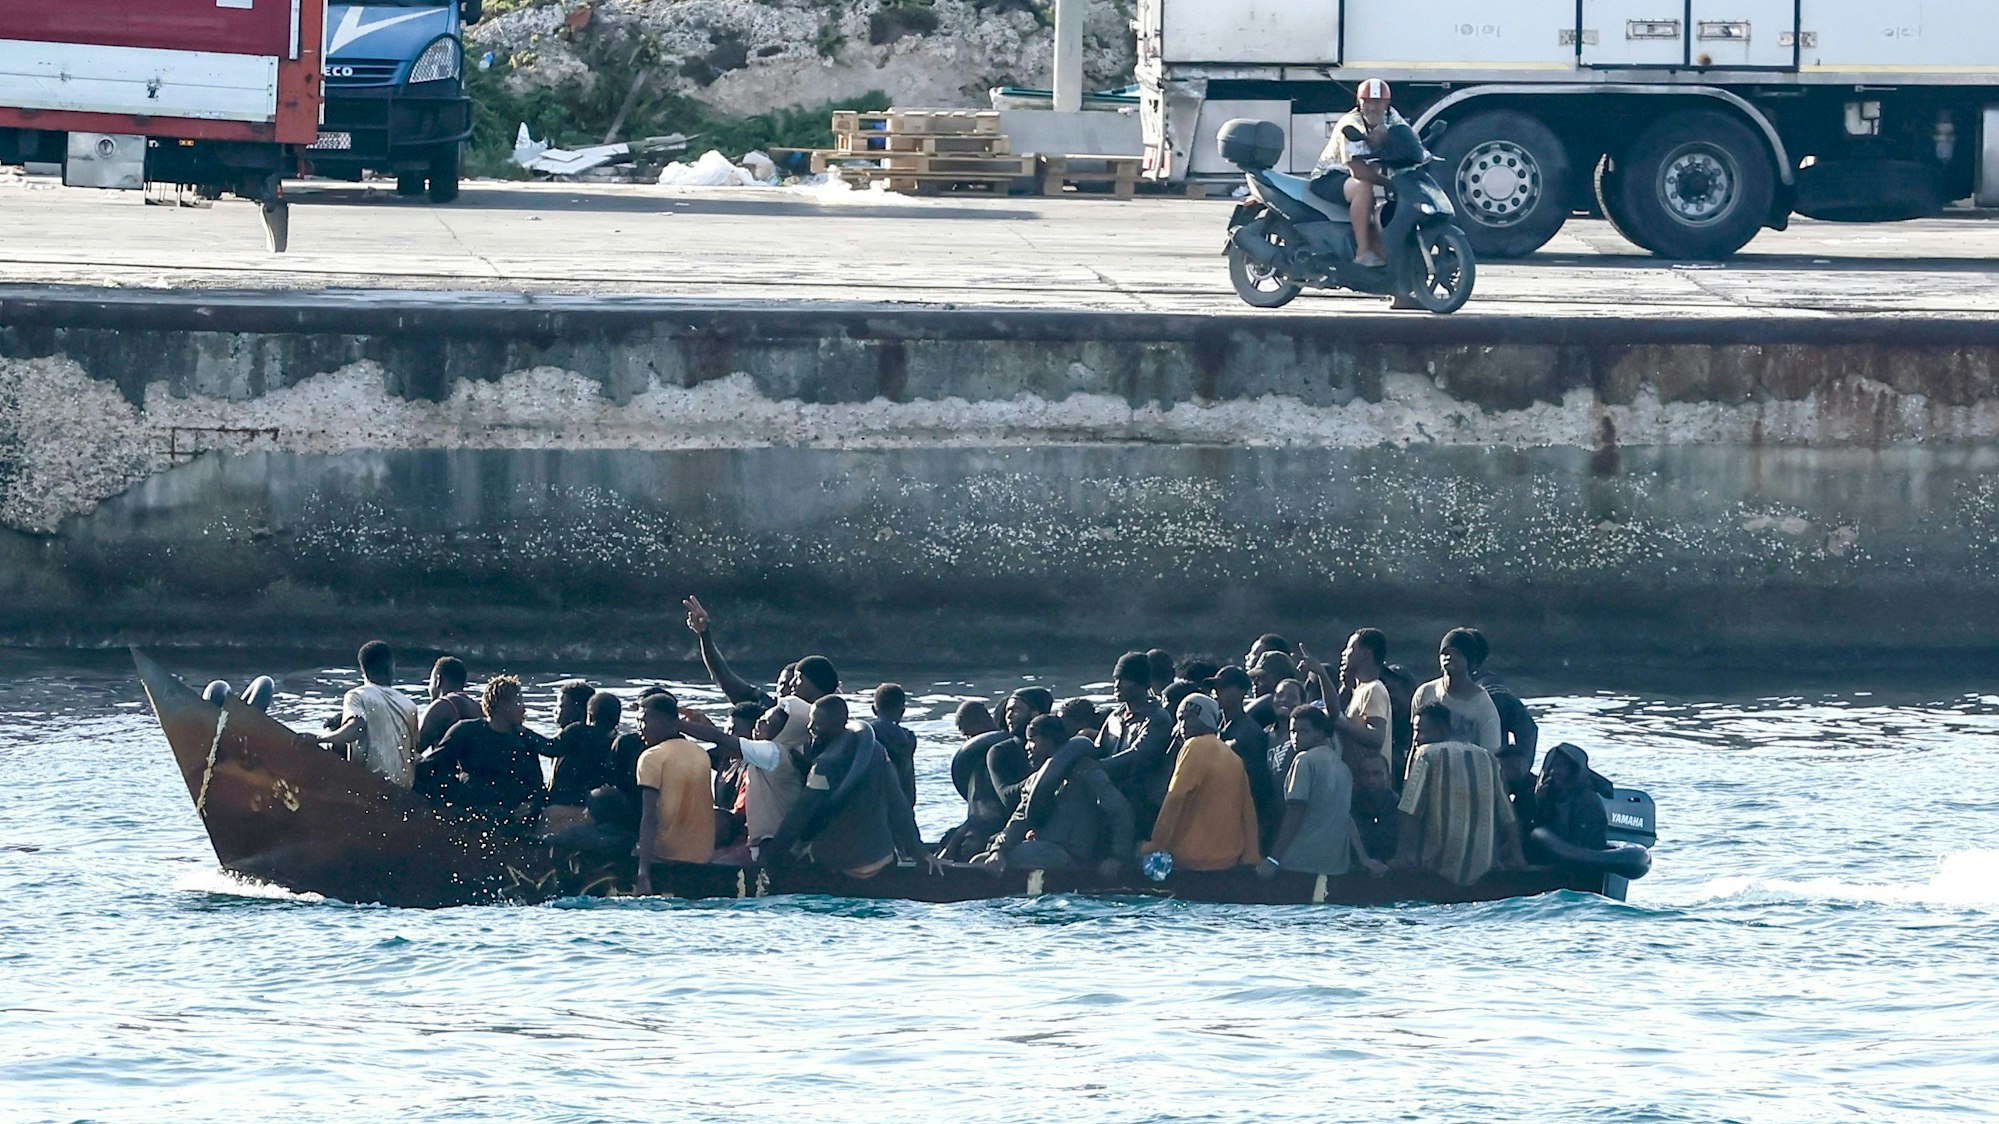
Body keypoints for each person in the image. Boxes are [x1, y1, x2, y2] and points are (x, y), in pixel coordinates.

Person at [765, 696, 931, 878]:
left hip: (841, 864)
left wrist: (772, 855)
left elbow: (801, 813)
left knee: (798, 851)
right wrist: (919, 852)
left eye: (816, 724)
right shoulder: (877, 752)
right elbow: (899, 805)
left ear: (837, 726)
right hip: (881, 858)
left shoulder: (824, 764)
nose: (810, 728)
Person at [978, 715, 1134, 876]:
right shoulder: (1034, 781)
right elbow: (1018, 820)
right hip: (1043, 849)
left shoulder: (1086, 773)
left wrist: (1118, 856)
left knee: (994, 864)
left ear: (1050, 740)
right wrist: (998, 850)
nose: (1027, 747)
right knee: (981, 860)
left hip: (1071, 855)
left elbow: (1120, 810)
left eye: (1032, 740)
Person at [1392, 703, 1525, 886]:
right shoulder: (1488, 758)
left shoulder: (1427, 754)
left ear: (1442, 729)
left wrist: (1402, 857)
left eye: (1420, 731)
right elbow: (1507, 816)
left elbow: (1409, 811)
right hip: (1484, 869)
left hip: (1437, 868)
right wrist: (1518, 858)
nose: (1416, 739)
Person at [1260, 706, 1385, 879]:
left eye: (1304, 731)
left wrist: (1273, 859)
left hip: (1300, 864)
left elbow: (1295, 813)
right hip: (1333, 867)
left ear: (1322, 733)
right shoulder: (1343, 768)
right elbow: (1346, 818)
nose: (1296, 737)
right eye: (1293, 731)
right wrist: (1363, 858)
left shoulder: (1304, 761)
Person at [679, 694, 813, 855]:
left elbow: (720, 738)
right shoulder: (780, 752)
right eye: (763, 718)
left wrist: (674, 723)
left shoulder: (774, 752)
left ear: (786, 732)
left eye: (767, 723)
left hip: (770, 842)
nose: (760, 723)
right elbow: (723, 742)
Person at [1140, 694, 1260, 872]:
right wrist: (1252, 856)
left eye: (1189, 718)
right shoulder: (1234, 757)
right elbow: (1247, 811)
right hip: (1228, 859)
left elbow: (1175, 798)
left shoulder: (1193, 746)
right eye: (1180, 719)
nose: (1183, 725)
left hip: (1191, 858)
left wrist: (1156, 844)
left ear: (1206, 719)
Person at [419, 674, 550, 819]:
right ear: (502, 705)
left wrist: (532, 806)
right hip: (473, 815)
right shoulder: (467, 732)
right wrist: (447, 803)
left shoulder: (524, 740)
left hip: (514, 819)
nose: (524, 709)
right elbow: (428, 767)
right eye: (518, 702)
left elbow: (538, 787)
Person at [1312, 77, 1407, 268]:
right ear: (1359, 103)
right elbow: (1357, 171)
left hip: (1362, 174)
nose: (1372, 108)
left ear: (1386, 103)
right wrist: (1387, 183)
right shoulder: (1351, 124)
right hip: (1331, 176)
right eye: (1367, 102)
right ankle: (1363, 252)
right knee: (1363, 187)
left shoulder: (1391, 116)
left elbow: (1407, 136)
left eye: (1378, 102)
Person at [683, 595, 841, 709]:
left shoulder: (828, 721)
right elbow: (724, 678)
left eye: (795, 681)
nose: (785, 689)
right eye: (782, 684)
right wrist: (704, 634)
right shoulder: (769, 710)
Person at [632, 692, 717, 895]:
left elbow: (650, 817)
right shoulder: (700, 753)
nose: (639, 728)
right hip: (703, 855)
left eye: (644, 720)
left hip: (666, 855)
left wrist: (643, 872)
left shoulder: (651, 757)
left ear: (665, 721)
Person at [319, 641, 420, 789]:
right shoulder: (409, 705)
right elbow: (413, 750)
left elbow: (356, 728)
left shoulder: (357, 695)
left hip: (369, 785)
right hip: (403, 789)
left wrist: (320, 739)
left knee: (333, 738)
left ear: (363, 670)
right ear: (391, 669)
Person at [1095, 652, 1175, 834]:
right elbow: (1098, 749)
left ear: (1140, 683)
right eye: (1116, 679)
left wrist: (1097, 767)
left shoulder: (1157, 718)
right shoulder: (1114, 717)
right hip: (1109, 791)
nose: (1116, 685)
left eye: (1123, 680)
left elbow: (1138, 755)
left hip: (1140, 799)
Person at [1213, 665, 1280, 849]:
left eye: (1226, 687)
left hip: (1246, 816)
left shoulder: (1249, 732)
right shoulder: (1220, 724)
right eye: (1217, 687)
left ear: (1243, 691)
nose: (1219, 691)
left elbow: (1257, 784)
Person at [1410, 628, 1503, 758]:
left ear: (1470, 661)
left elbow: (1490, 757)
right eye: (1445, 652)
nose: (1449, 657)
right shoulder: (1424, 693)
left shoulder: (1484, 707)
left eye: (1457, 653)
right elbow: (1414, 744)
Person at [939, 700, 1010, 860]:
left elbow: (981, 817)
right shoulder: (981, 758)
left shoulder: (986, 762)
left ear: (982, 722)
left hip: (993, 829)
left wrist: (953, 844)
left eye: (969, 736)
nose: (968, 741)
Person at [1467, 632, 1539, 765]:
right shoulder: (1437, 690)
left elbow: (1527, 730)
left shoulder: (1492, 692)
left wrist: (1516, 771)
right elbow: (1528, 731)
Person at [543, 690, 620, 808]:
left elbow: (548, 748)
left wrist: (522, 731)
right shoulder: (616, 741)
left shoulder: (575, 734)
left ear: (581, 711)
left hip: (569, 805)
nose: (555, 710)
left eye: (561, 706)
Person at [1333, 629, 1394, 776]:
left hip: (1369, 780)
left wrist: (1342, 723)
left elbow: (1376, 737)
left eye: (1350, 648)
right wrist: (1345, 688)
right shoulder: (1359, 690)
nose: (1344, 653)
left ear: (1366, 653)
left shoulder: (1374, 689)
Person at [990, 687, 1055, 816]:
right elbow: (1007, 797)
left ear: (1035, 713)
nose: (1008, 715)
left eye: (1015, 710)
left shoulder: (1058, 743)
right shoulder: (1000, 752)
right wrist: (1046, 773)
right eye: (1008, 710)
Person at [1533, 743, 1610, 851]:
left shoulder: (1587, 800)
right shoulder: (1549, 794)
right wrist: (1538, 801)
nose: (1554, 771)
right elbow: (1537, 825)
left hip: (1580, 859)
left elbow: (1584, 843)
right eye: (1553, 766)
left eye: (1561, 766)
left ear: (1573, 770)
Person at [416, 656, 483, 754]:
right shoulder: (479, 708)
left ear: (438, 680)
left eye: (430, 682)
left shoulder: (440, 707)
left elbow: (414, 750)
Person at [870, 683, 920, 811]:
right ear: (902, 711)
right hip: (905, 805)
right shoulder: (910, 738)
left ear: (874, 710)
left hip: (877, 807)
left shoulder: (868, 734)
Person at [1349, 752, 1400, 862]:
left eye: (1377, 774)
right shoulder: (1349, 810)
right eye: (1366, 774)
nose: (1371, 780)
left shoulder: (1401, 810)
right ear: (1357, 779)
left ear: (1389, 778)